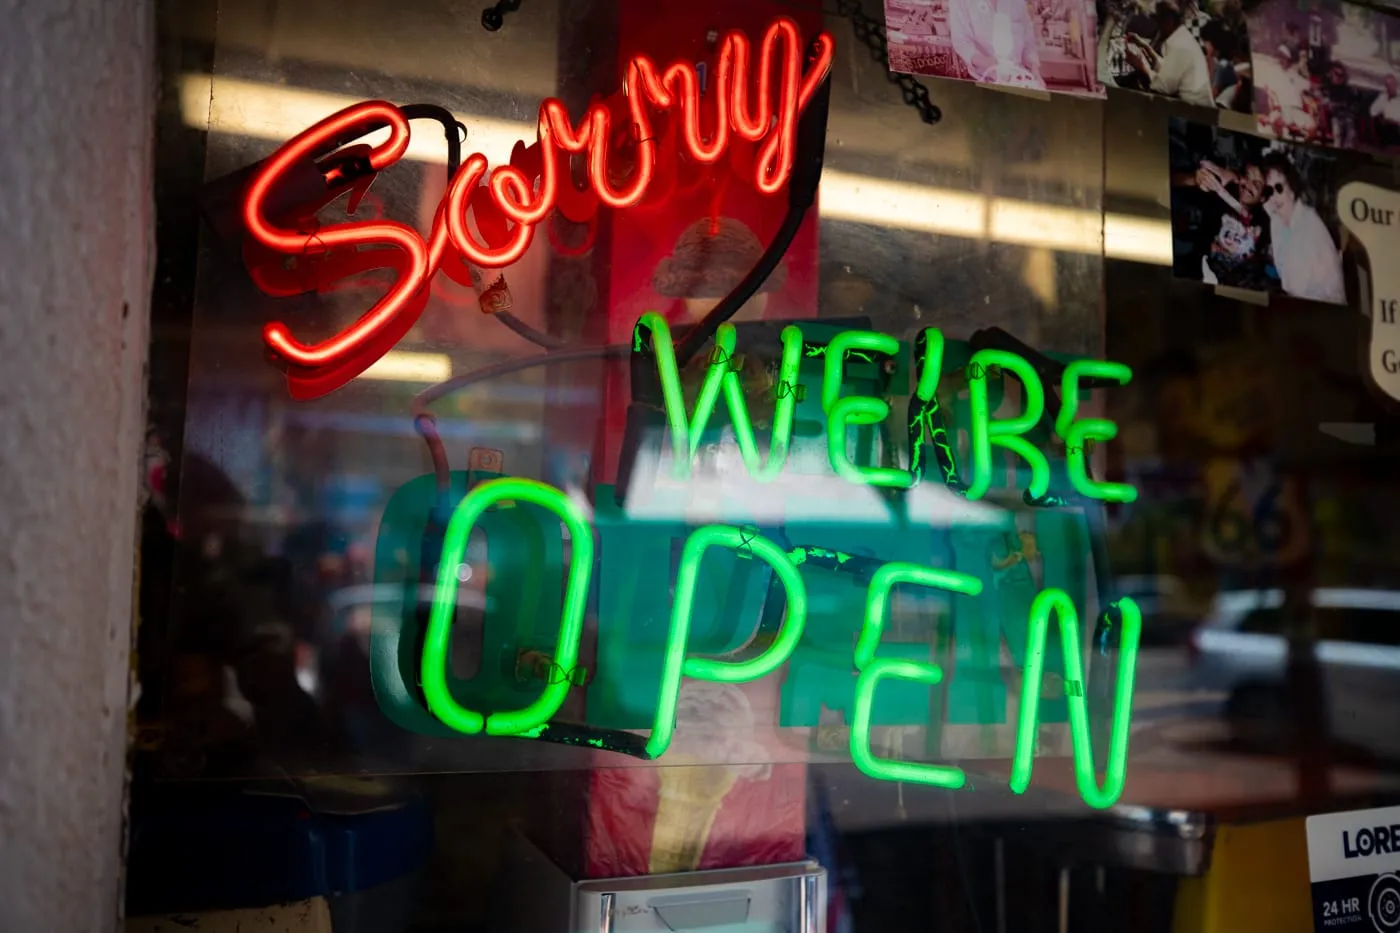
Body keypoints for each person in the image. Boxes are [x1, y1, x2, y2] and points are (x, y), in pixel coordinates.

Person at [1259, 152, 1345, 304]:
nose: (1274, 197)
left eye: (1279, 188)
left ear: (1291, 186)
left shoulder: (1309, 226)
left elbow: (1333, 294)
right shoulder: (1278, 220)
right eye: (1269, 191)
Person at [1124, 0, 1214, 108]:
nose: (1157, 26)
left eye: (1159, 21)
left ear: (1169, 22)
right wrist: (1147, 48)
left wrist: (1142, 67)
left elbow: (1164, 86)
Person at [947, 0, 1046, 89]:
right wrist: (988, 63)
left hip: (1017, 82)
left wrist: (1035, 71)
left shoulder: (1017, 3)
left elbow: (1028, 42)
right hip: (982, 83)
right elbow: (961, 42)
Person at [1369, 74, 1400, 147]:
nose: (1390, 87)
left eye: (1392, 84)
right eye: (1387, 85)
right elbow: (1372, 112)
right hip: (1388, 127)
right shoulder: (1383, 97)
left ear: (1396, 84)